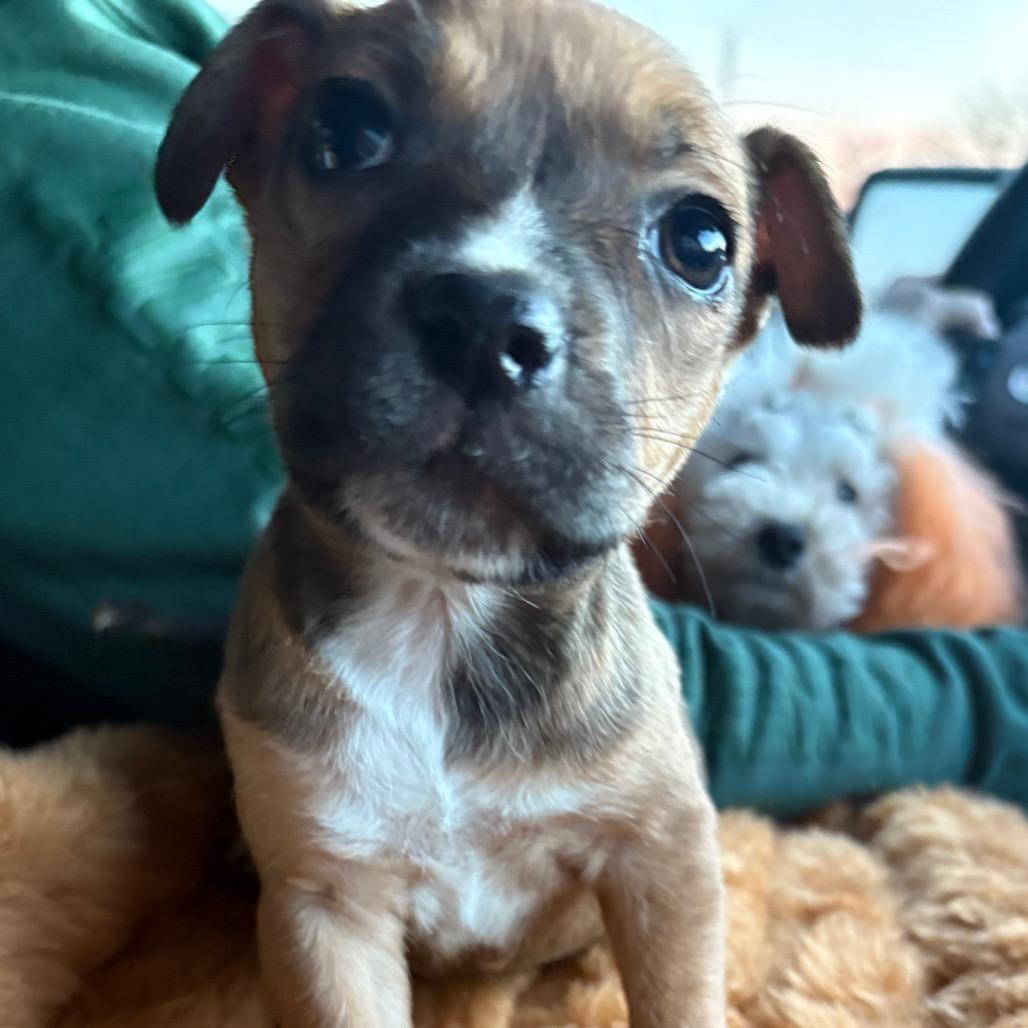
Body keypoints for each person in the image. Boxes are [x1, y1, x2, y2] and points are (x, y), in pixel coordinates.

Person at [2, 0, 1026, 817]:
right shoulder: (44, 177)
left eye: (693, 243)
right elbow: (599, 702)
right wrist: (998, 696)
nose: (500, 310)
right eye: (353, 135)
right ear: (257, 105)